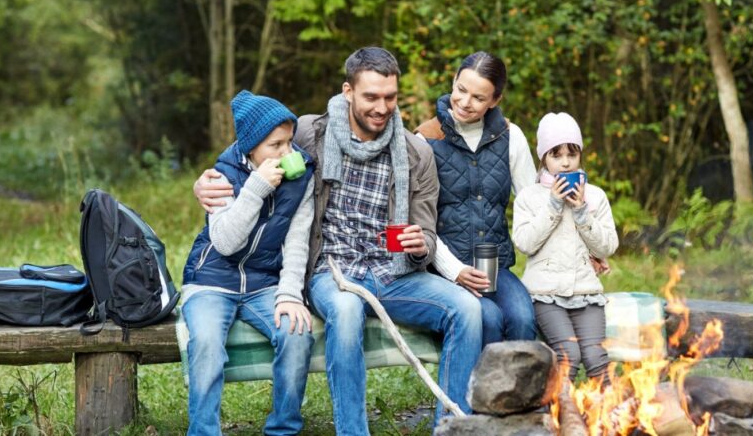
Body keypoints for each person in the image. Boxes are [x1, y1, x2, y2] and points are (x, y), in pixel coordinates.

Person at [194, 47, 482, 435]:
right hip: (332, 269)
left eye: (390, 97)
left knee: (466, 309)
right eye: (371, 97)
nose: (383, 107)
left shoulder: (416, 153)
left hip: (391, 271)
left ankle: (452, 428)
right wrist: (208, 179)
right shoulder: (311, 132)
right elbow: (253, 143)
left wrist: (420, 244)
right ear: (348, 91)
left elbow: (427, 231)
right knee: (346, 312)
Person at [181, 90, 316, 436]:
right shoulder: (222, 176)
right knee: (207, 343)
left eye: (289, 142)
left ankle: (283, 429)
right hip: (211, 280)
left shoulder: (300, 178)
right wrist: (255, 189)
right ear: (251, 148)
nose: (287, 152)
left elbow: (298, 241)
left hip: (264, 282)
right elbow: (225, 242)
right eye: (276, 145)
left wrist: (289, 294)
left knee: (296, 334)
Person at [414, 51, 537, 346]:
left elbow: (534, 204)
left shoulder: (511, 136)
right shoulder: (425, 139)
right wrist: (454, 271)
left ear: (495, 100)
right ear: (453, 82)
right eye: (461, 90)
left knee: (523, 318)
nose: (465, 102)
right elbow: (420, 221)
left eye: (478, 98)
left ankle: (520, 392)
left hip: (496, 267)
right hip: (445, 270)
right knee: (488, 319)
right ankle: (482, 392)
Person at [511, 112, 619, 384]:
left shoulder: (594, 196)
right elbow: (524, 243)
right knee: (568, 354)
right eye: (556, 155)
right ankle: (559, 420)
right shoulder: (529, 197)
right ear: (543, 158)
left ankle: (608, 422)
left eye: (572, 154)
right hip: (544, 294)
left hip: (586, 292)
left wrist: (582, 212)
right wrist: (554, 205)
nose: (566, 162)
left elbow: (609, 245)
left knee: (596, 358)